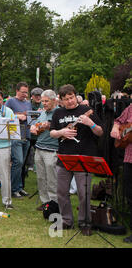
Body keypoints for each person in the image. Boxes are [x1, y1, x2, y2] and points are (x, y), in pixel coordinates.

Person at [50, 84, 103, 236]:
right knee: (61, 192)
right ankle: (66, 221)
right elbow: (52, 132)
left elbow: (100, 132)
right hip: (64, 157)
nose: (70, 101)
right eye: (66, 99)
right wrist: (62, 132)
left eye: (72, 98)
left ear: (75, 96)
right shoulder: (58, 113)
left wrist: (90, 123)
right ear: (61, 100)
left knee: (83, 193)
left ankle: (85, 223)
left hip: (84, 157)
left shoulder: (87, 111)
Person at [30, 90, 59, 211]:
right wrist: (33, 127)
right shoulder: (42, 113)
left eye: (46, 101)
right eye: (43, 101)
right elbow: (36, 125)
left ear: (53, 100)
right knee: (41, 177)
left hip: (52, 149)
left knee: (52, 178)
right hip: (39, 147)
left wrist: (41, 126)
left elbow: (48, 125)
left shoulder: (58, 113)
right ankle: (45, 202)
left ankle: (54, 203)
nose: (44, 104)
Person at [5, 82, 32, 198]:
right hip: (15, 135)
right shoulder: (10, 101)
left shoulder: (28, 103)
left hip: (27, 134)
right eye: (23, 92)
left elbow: (29, 116)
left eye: (26, 92)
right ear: (17, 91)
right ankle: (13, 188)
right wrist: (17, 116)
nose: (25, 95)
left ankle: (20, 187)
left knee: (22, 164)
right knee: (18, 161)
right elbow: (4, 116)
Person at [110, 103, 132, 243]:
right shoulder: (131, 107)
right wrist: (115, 129)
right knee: (129, 195)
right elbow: (118, 121)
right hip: (129, 158)